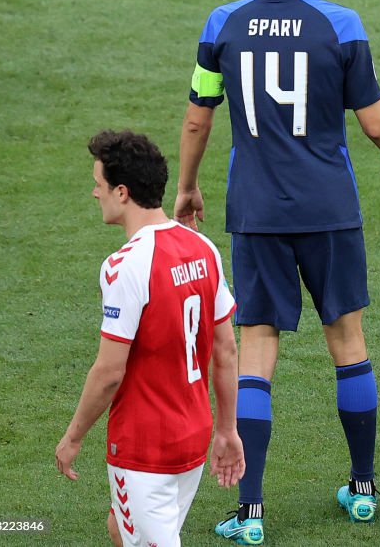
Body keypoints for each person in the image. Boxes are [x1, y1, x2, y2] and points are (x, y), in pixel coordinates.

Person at [176, 0, 380, 543]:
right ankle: (362, 488)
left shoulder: (222, 23)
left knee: (257, 350)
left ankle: (250, 511)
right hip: (329, 210)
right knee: (347, 342)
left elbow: (197, 115)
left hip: (257, 212)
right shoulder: (341, 25)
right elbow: (375, 123)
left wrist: (187, 186)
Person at [56, 130, 244, 547]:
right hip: (192, 437)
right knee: (121, 525)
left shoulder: (124, 266)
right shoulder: (203, 249)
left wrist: (73, 437)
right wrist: (228, 430)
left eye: (99, 184)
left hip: (145, 448)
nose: (94, 193)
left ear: (122, 192)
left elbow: (108, 372)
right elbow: (227, 350)